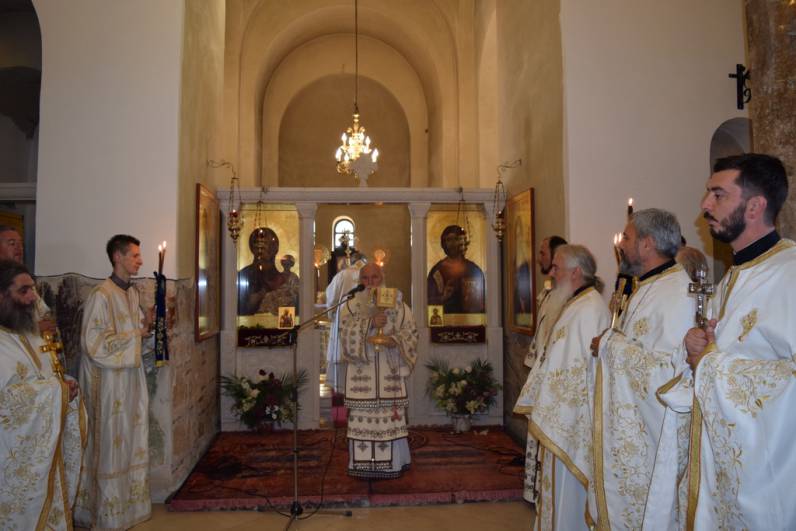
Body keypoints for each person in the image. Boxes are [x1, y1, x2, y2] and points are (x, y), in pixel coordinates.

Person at [650, 153, 796, 529]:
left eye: (718, 195)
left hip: (769, 479)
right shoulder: (733, 277)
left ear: (755, 206)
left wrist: (711, 363)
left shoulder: (790, 273)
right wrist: (695, 348)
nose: (704, 205)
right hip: (722, 464)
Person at [588, 209, 693, 530]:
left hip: (654, 436)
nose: (621, 244)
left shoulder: (677, 293)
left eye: (627, 237)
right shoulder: (648, 286)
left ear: (647, 244)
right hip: (633, 427)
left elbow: (669, 373)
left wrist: (609, 344)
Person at [514, 245, 610, 530]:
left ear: (576, 272)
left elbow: (586, 370)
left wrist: (556, 410)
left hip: (572, 423)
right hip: (559, 419)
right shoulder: (575, 304)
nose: (552, 273)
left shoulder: (590, 309)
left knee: (569, 495)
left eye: (557, 268)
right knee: (556, 492)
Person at [75, 235, 153, 529]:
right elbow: (93, 344)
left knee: (129, 439)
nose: (140, 261)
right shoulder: (101, 295)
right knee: (108, 444)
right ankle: (104, 514)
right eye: (134, 255)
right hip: (107, 385)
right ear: (117, 257)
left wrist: (148, 329)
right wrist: (136, 336)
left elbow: (138, 335)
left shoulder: (131, 294)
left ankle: (127, 509)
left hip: (130, 380)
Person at [0, 260, 84, 529]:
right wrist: (55, 391)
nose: (33, 297)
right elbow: (6, 401)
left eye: (33, 289)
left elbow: (44, 377)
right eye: (24, 291)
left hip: (42, 445)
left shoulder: (30, 333)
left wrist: (65, 385)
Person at [339, 263, 418, 478]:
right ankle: (361, 465)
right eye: (365, 278)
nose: (370, 283)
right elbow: (344, 334)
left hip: (388, 372)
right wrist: (370, 324)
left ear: (382, 278)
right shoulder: (351, 305)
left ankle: (394, 464)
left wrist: (395, 341)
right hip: (361, 374)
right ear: (359, 281)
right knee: (362, 418)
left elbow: (411, 333)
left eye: (374, 277)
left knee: (389, 420)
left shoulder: (398, 305)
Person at [518, 235, 566, 506]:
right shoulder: (550, 293)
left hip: (551, 378)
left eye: (543, 253)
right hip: (541, 373)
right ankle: (536, 490)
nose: (539, 259)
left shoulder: (566, 299)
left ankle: (543, 492)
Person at [0, 225, 56, 333]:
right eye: (12, 243)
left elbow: (43, 312)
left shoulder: (25, 279)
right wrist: (34, 328)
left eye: (21, 243)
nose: (19, 247)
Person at [325, 252, 366, 393]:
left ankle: (341, 389)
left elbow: (331, 298)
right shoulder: (370, 275)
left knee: (341, 351)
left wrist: (332, 315)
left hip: (343, 317)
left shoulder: (342, 275)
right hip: (364, 320)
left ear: (351, 261)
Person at [237, 227, 298, 315]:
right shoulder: (244, 276)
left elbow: (297, 310)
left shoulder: (290, 280)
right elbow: (242, 309)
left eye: (265, 244)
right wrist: (260, 295)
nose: (261, 249)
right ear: (252, 249)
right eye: (257, 245)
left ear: (275, 248)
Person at [427, 225, 484, 314]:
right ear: (443, 244)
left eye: (456, 239)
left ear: (462, 243)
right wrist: (443, 297)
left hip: (470, 319)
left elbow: (481, 303)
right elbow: (428, 301)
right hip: (444, 319)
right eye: (448, 240)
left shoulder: (473, 270)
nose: (452, 244)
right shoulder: (437, 271)